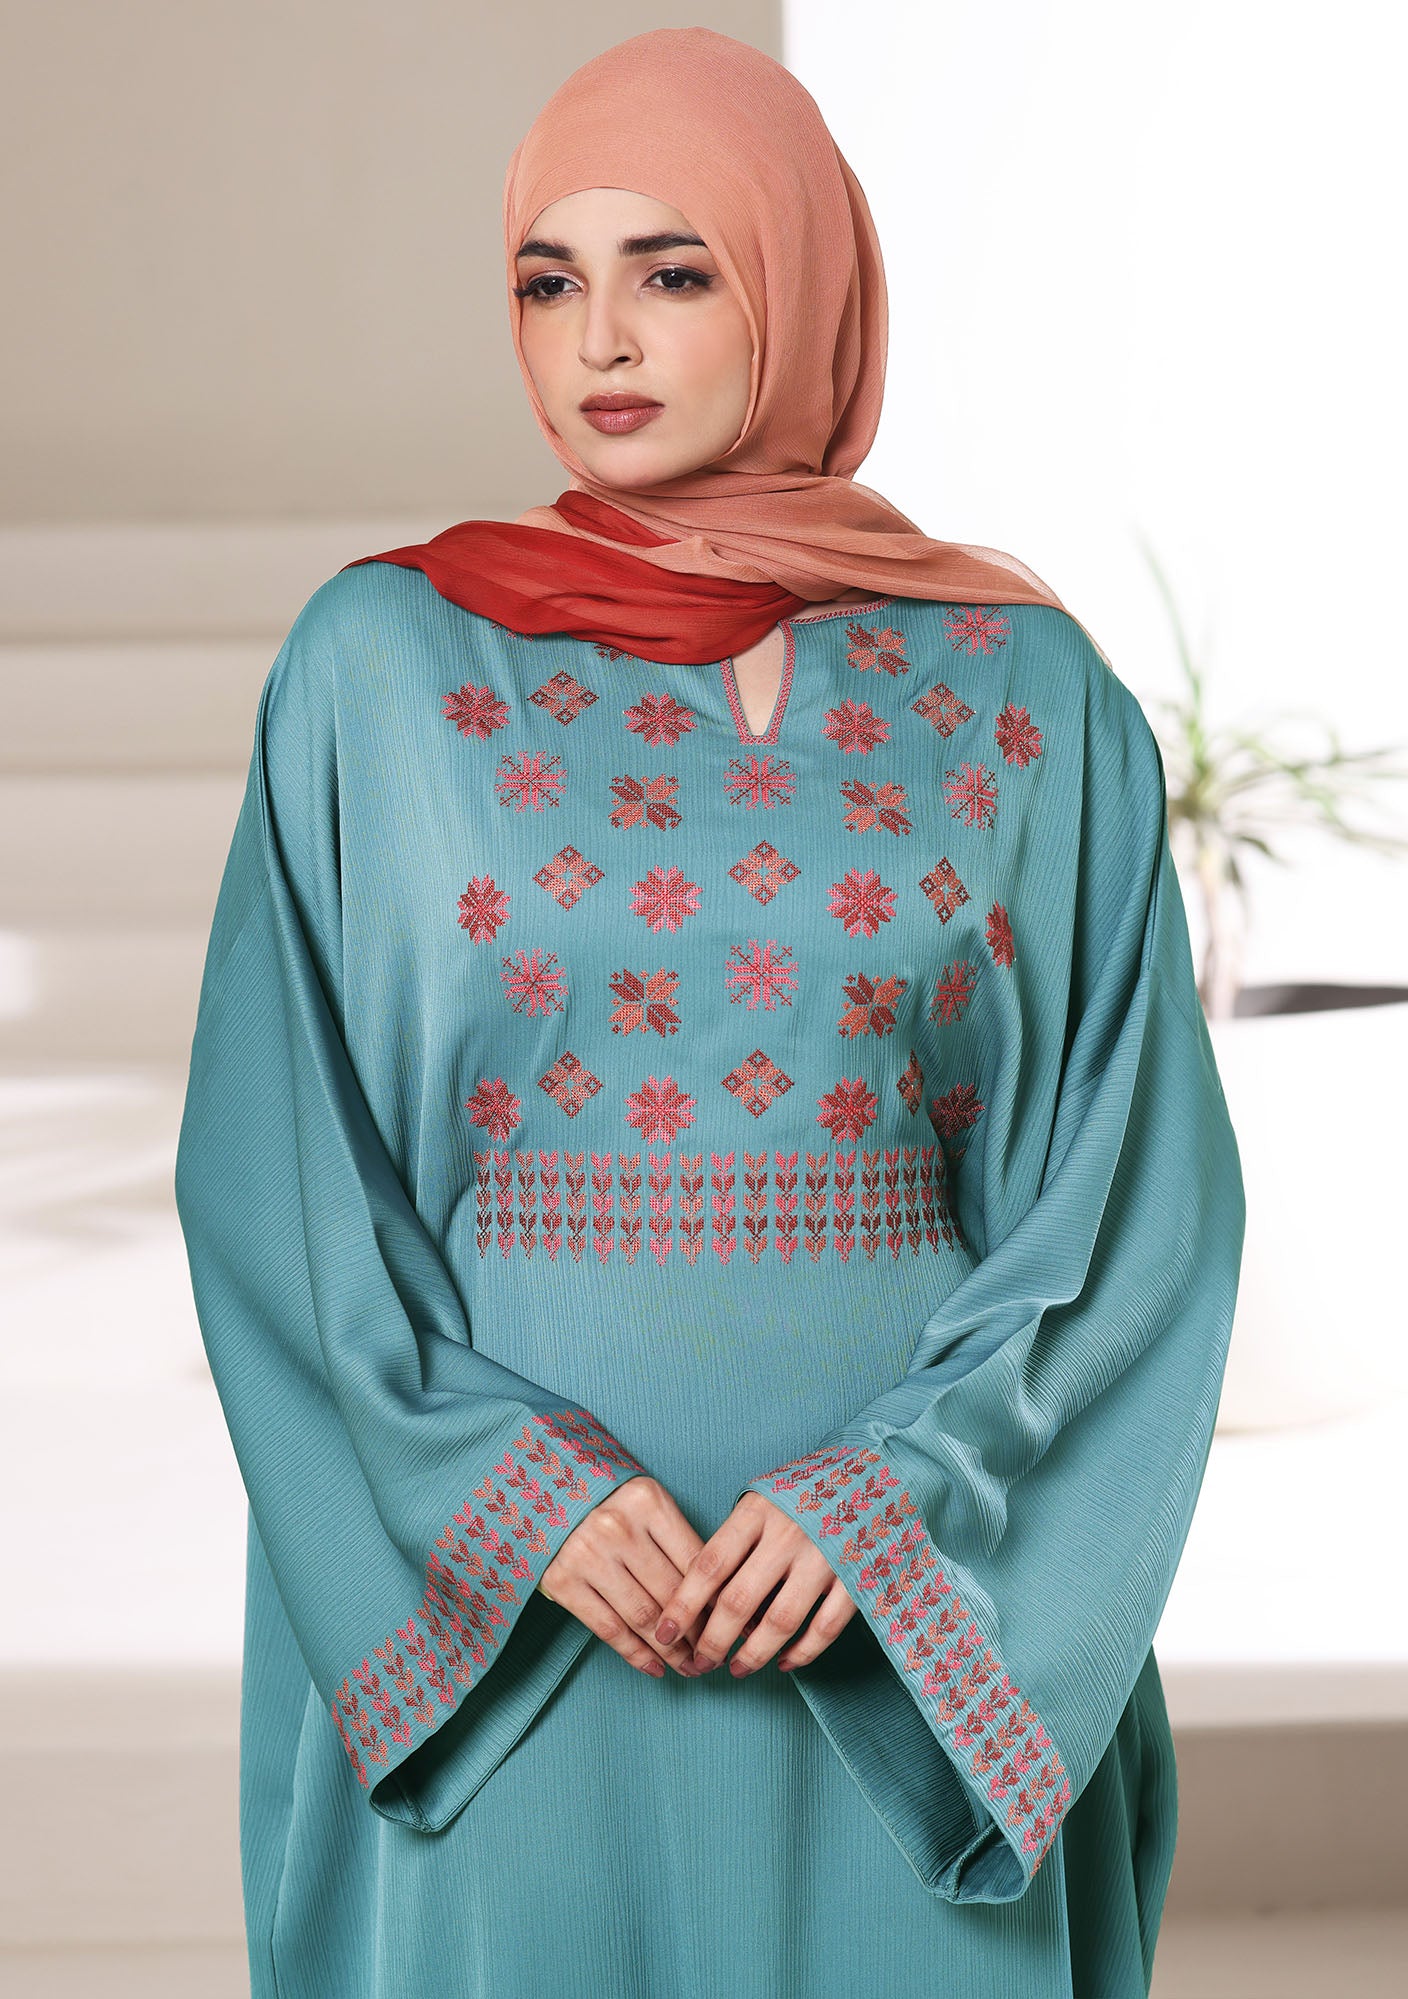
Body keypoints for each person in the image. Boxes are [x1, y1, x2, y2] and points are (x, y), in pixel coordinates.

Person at [174, 26, 1245, 1999]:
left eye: (672, 271)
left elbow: (1131, 1208)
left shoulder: (1029, 696)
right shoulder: (376, 667)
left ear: (799, 283)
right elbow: (278, 1176)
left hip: (905, 1615)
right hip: (517, 1614)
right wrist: (502, 1503)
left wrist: (898, 1509)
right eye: (547, 279)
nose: (600, 338)